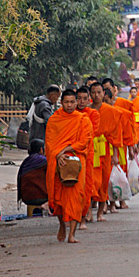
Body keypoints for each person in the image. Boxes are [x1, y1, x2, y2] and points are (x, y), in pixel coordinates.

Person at [45, 89, 93, 243]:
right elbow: (49, 143)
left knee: (76, 196)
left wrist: (65, 150)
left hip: (77, 162)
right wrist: (58, 155)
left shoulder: (82, 119)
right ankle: (61, 225)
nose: (70, 105)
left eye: (73, 102)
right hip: (58, 162)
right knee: (58, 197)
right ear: (61, 102)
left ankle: (72, 234)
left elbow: (84, 141)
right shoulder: (54, 120)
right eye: (67, 102)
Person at [90, 82, 123, 221]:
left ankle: (99, 213)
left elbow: (115, 133)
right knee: (91, 181)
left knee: (104, 181)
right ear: (90, 94)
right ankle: (87, 212)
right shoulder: (87, 111)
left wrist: (115, 154)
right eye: (94, 93)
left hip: (104, 151)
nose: (96, 95)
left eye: (99, 92)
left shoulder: (110, 111)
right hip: (90, 150)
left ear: (103, 93)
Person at [76, 87, 101, 229]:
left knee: (86, 185)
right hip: (71, 153)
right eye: (78, 98)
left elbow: (93, 132)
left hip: (87, 153)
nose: (81, 101)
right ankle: (74, 215)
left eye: (84, 98)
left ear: (88, 100)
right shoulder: (69, 115)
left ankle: (84, 215)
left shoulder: (93, 114)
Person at [17, 139, 47, 209]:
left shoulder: (27, 160)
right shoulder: (43, 160)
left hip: (26, 198)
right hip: (41, 197)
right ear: (41, 150)